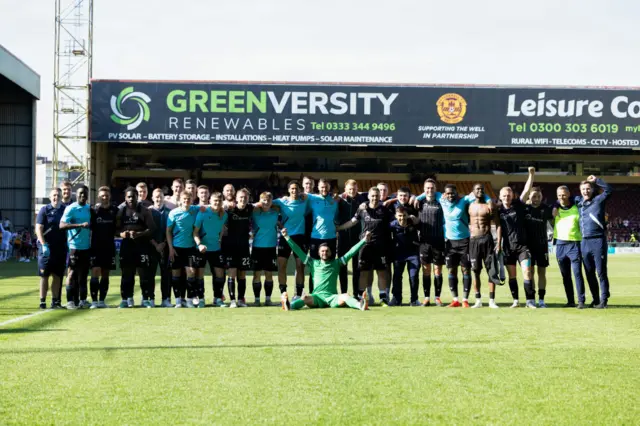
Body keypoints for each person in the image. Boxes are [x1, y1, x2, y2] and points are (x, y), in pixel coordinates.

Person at [414, 184, 491, 307]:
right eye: (448, 193)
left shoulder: (464, 200)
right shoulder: (441, 199)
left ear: (457, 193)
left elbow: (479, 194)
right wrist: (418, 198)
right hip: (449, 242)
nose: (450, 195)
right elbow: (428, 192)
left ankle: (465, 300)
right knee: (451, 270)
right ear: (444, 194)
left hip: (465, 241)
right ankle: (455, 299)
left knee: (465, 270)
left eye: (453, 193)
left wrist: (489, 200)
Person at [280, 227, 370, 311]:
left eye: (327, 251)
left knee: (346, 296)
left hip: (332, 297)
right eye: (322, 251)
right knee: (305, 297)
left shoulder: (337, 263)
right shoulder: (313, 263)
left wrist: (364, 240)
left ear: (331, 253)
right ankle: (289, 305)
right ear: (319, 253)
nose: (325, 253)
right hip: (317, 297)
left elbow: (351, 252)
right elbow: (298, 250)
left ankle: (360, 305)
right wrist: (287, 237)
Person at [337, 187, 397, 306]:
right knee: (363, 272)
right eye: (372, 196)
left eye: (376, 196)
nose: (374, 198)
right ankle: (361, 297)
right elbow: (353, 221)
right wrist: (339, 228)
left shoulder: (384, 210)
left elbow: (394, 222)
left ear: (380, 197)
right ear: (368, 197)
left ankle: (383, 298)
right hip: (365, 246)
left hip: (381, 246)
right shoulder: (362, 209)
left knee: (381, 272)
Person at [497, 167, 535, 309]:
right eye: (504, 195)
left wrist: (531, 174)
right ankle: (516, 301)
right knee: (512, 276)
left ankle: (530, 301)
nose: (507, 197)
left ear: (512, 195)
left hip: (522, 247)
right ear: (500, 197)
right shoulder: (498, 210)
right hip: (508, 248)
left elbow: (526, 189)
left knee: (527, 272)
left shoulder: (518, 204)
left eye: (509, 195)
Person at [115, 187, 156, 308]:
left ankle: (145, 299)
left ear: (137, 197)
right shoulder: (120, 211)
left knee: (143, 273)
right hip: (127, 245)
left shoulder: (144, 211)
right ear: (125, 198)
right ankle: (126, 299)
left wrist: (140, 234)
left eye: (133, 196)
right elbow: (115, 229)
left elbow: (152, 228)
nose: (131, 199)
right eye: (128, 196)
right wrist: (121, 234)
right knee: (127, 273)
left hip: (142, 245)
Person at [576, 176, 612, 308]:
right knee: (589, 273)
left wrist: (597, 180)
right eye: (583, 189)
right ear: (580, 191)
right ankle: (596, 299)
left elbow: (609, 190)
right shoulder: (578, 202)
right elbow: (564, 200)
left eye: (588, 188)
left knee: (601, 272)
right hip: (584, 242)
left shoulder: (598, 200)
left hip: (598, 241)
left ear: (592, 189)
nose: (585, 191)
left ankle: (604, 300)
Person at [272, 180, 310, 299]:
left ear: (300, 190)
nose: (294, 191)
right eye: (292, 188)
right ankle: (283, 293)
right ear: (288, 190)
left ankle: (298, 295)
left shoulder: (304, 201)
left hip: (300, 237)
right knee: (282, 265)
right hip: (285, 237)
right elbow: (265, 203)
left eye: (296, 188)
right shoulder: (282, 201)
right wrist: (277, 222)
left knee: (300, 266)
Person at [468, 183, 502, 309]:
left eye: (482, 189)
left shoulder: (489, 206)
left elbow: (498, 224)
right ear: (473, 191)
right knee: (475, 271)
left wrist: (498, 242)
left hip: (487, 240)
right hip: (474, 241)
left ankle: (492, 300)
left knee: (491, 271)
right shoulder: (469, 205)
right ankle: (478, 300)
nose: (480, 191)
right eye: (477, 189)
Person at [553, 186, 587, 308]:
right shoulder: (555, 209)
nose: (561, 197)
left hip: (574, 244)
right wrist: (555, 205)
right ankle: (570, 301)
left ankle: (581, 301)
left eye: (563, 195)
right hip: (560, 245)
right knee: (565, 275)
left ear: (568, 194)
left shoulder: (576, 207)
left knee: (577, 274)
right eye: (559, 195)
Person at [167, 191, 201, 308]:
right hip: (176, 248)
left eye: (188, 199)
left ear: (192, 200)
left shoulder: (195, 210)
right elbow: (168, 231)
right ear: (180, 200)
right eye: (184, 199)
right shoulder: (173, 213)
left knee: (191, 272)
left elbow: (208, 206)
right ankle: (178, 301)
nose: (186, 201)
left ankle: (189, 300)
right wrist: (171, 248)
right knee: (176, 274)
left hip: (190, 248)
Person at [59, 186, 92, 309]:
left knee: (83, 275)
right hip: (74, 246)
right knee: (71, 273)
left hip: (86, 247)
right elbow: (61, 225)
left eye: (85, 194)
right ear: (76, 195)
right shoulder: (71, 208)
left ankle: (83, 300)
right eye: (80, 194)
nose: (83, 196)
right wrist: (79, 225)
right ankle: (70, 301)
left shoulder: (89, 209)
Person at [193, 192, 228, 307]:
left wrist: (220, 238)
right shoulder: (202, 213)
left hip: (216, 249)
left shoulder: (224, 215)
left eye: (219, 201)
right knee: (199, 274)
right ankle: (201, 299)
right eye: (215, 201)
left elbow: (222, 227)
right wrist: (199, 245)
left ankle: (217, 299)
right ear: (210, 201)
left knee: (220, 274)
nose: (217, 203)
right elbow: (195, 233)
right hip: (202, 249)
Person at [306, 179, 340, 295]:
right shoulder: (312, 198)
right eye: (321, 187)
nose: (324, 189)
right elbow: (298, 194)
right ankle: (312, 293)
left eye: (326, 187)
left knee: (331, 267)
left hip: (331, 237)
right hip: (316, 237)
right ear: (318, 187)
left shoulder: (334, 201)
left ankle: (330, 292)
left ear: (329, 188)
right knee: (314, 268)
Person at [35, 188, 67, 309]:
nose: (56, 198)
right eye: (54, 195)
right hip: (46, 248)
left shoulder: (65, 210)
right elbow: (38, 228)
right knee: (44, 275)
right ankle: (42, 301)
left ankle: (55, 301)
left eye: (58, 195)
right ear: (50, 197)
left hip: (60, 248)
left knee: (58, 276)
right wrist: (43, 244)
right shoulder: (44, 210)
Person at [415, 179, 445, 306]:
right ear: (424, 189)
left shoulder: (441, 201)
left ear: (435, 189)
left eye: (432, 188)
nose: (429, 190)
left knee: (437, 270)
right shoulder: (419, 202)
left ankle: (437, 297)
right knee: (426, 270)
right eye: (427, 188)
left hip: (438, 240)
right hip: (424, 242)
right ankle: (426, 297)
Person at [89, 186, 118, 309]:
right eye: (102, 196)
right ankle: (94, 301)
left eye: (106, 196)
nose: (104, 198)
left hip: (109, 247)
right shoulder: (93, 211)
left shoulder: (115, 211)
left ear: (109, 196)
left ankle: (102, 301)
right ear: (98, 197)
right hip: (95, 246)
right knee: (95, 272)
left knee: (105, 274)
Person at [524, 187, 554, 308]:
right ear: (529, 197)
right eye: (534, 196)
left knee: (542, 273)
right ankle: (531, 299)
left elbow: (553, 220)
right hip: (527, 246)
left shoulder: (546, 209)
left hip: (542, 245)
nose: (536, 199)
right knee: (529, 272)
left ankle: (541, 300)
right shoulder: (525, 209)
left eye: (539, 196)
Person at [225, 188, 254, 308]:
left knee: (242, 274)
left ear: (248, 199)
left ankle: (241, 299)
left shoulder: (250, 209)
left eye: (245, 197)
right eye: (241, 197)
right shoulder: (229, 210)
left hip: (244, 246)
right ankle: (232, 300)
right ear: (236, 198)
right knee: (231, 273)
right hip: (231, 246)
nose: (243, 199)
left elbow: (263, 203)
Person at [337, 179, 367, 295]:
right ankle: (344, 293)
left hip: (357, 238)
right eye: (350, 189)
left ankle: (356, 294)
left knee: (357, 268)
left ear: (357, 189)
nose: (352, 191)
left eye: (354, 189)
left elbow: (379, 195)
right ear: (345, 189)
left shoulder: (363, 199)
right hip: (343, 238)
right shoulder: (340, 200)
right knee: (342, 267)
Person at [250, 192, 280, 306]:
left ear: (272, 201)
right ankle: (257, 300)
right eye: (264, 200)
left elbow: (280, 203)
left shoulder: (275, 211)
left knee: (269, 274)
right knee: (256, 274)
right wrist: (259, 203)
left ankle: (268, 300)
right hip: (257, 247)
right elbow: (249, 206)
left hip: (271, 247)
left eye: (268, 200)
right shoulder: (255, 212)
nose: (266, 202)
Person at [389, 206, 421, 306]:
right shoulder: (392, 226)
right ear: (395, 216)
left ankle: (414, 300)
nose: (402, 218)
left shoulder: (413, 223)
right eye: (399, 216)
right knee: (397, 277)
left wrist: (417, 220)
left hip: (413, 254)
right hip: (398, 255)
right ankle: (396, 299)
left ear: (407, 215)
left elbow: (422, 225)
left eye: (404, 216)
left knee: (413, 276)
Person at [149, 188, 173, 307]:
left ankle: (166, 299)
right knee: (151, 274)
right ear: (152, 198)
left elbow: (170, 230)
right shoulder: (148, 212)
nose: (158, 199)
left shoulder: (169, 212)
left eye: (160, 197)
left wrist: (163, 243)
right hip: (151, 248)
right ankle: (151, 299)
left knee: (166, 274)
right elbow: (146, 231)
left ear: (164, 198)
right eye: (156, 197)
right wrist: (155, 244)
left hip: (165, 247)